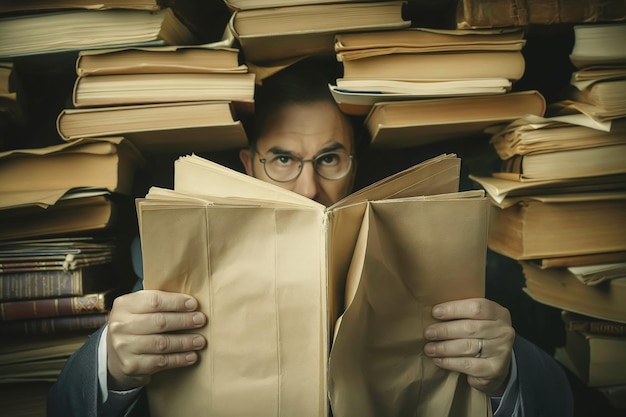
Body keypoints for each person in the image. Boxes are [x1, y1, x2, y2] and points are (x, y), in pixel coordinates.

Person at [47, 65, 573, 417]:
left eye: (328, 158)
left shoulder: (451, 257)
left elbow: (557, 402)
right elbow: (65, 407)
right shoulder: (168, 260)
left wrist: (508, 372)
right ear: (249, 164)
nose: (308, 187)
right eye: (283, 160)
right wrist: (110, 366)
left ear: (353, 165)